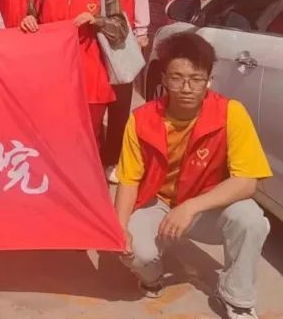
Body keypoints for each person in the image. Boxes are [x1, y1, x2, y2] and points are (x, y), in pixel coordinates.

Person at [116, 32, 271, 319]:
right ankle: (152, 276)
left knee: (251, 219)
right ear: (164, 78)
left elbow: (248, 181)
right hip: (158, 203)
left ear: (209, 79)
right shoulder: (141, 119)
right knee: (132, 251)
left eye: (196, 79)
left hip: (205, 207)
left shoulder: (231, 113)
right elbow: (129, 179)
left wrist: (191, 207)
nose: (186, 88)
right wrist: (120, 227)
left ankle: (236, 297)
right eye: (177, 78)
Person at [20, 0, 128, 135]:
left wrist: (96, 20)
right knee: (57, 138)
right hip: (52, 79)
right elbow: (31, 22)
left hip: (91, 78)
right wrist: (27, 22)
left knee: (89, 139)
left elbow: (121, 29)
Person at [83, 0, 151, 183]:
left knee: (121, 100)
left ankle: (113, 158)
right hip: (89, 30)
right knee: (93, 98)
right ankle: (92, 156)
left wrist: (142, 29)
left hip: (122, 32)